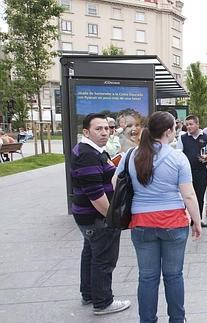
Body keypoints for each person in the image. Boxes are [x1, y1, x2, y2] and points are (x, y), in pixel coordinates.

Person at [114, 111, 202, 323]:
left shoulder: (130, 156)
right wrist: (197, 222)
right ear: (168, 131)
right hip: (174, 224)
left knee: (147, 277)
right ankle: (177, 320)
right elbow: (189, 195)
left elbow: (115, 184)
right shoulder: (177, 157)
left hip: (141, 224)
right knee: (173, 276)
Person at [69, 113, 130, 315]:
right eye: (99, 129)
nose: (105, 132)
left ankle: (89, 293)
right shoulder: (87, 154)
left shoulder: (94, 151)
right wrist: (113, 219)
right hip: (96, 218)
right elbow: (96, 195)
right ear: (86, 132)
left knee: (91, 254)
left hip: (87, 217)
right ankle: (103, 302)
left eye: (107, 128)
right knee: (104, 258)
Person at [176, 115, 207, 228]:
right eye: (187, 125)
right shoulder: (182, 138)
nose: (188, 127)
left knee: (199, 196)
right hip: (186, 173)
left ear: (197, 124)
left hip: (201, 171)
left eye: (191, 124)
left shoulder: (206, 138)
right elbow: (178, 154)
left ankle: (198, 220)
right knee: (184, 196)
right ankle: (183, 219)